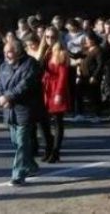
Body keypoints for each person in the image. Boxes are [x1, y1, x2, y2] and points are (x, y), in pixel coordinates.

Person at [0, 39, 42, 186]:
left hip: (25, 109)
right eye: (5, 52)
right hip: (10, 110)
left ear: (18, 51)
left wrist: (9, 96)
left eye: (9, 52)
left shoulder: (30, 64)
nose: (7, 55)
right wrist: (1, 97)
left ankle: (18, 175)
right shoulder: (4, 66)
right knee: (16, 142)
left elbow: (25, 85)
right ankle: (31, 166)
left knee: (22, 142)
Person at [40, 27, 70, 163]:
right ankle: (49, 148)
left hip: (56, 88)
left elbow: (63, 76)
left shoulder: (61, 53)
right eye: (47, 37)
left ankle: (56, 151)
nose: (49, 40)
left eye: (52, 37)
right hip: (46, 88)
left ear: (57, 37)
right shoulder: (46, 51)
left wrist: (58, 93)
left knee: (57, 121)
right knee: (44, 121)